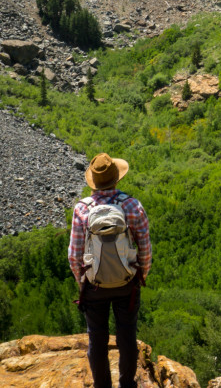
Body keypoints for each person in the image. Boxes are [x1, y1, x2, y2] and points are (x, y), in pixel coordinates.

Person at [68, 153, 151, 388]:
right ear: (117, 179)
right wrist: (139, 277)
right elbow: (145, 249)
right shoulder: (132, 205)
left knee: (97, 338)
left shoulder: (82, 209)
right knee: (127, 337)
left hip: (94, 284)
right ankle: (127, 385)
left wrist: (83, 282)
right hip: (127, 282)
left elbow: (74, 255)